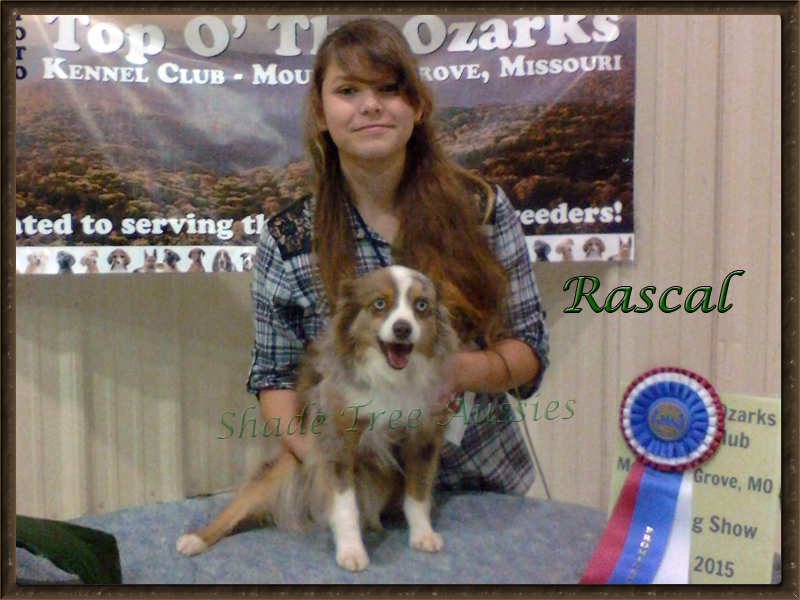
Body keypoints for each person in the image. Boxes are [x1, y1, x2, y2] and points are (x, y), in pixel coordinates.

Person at [246, 17, 549, 495]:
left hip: (480, 487)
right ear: (321, 113)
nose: (370, 106)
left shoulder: (482, 210)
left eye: (389, 88)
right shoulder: (286, 241)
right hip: (363, 495)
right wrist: (324, 466)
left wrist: (457, 371)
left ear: (418, 104)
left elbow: (529, 349)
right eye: (347, 91)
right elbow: (274, 376)